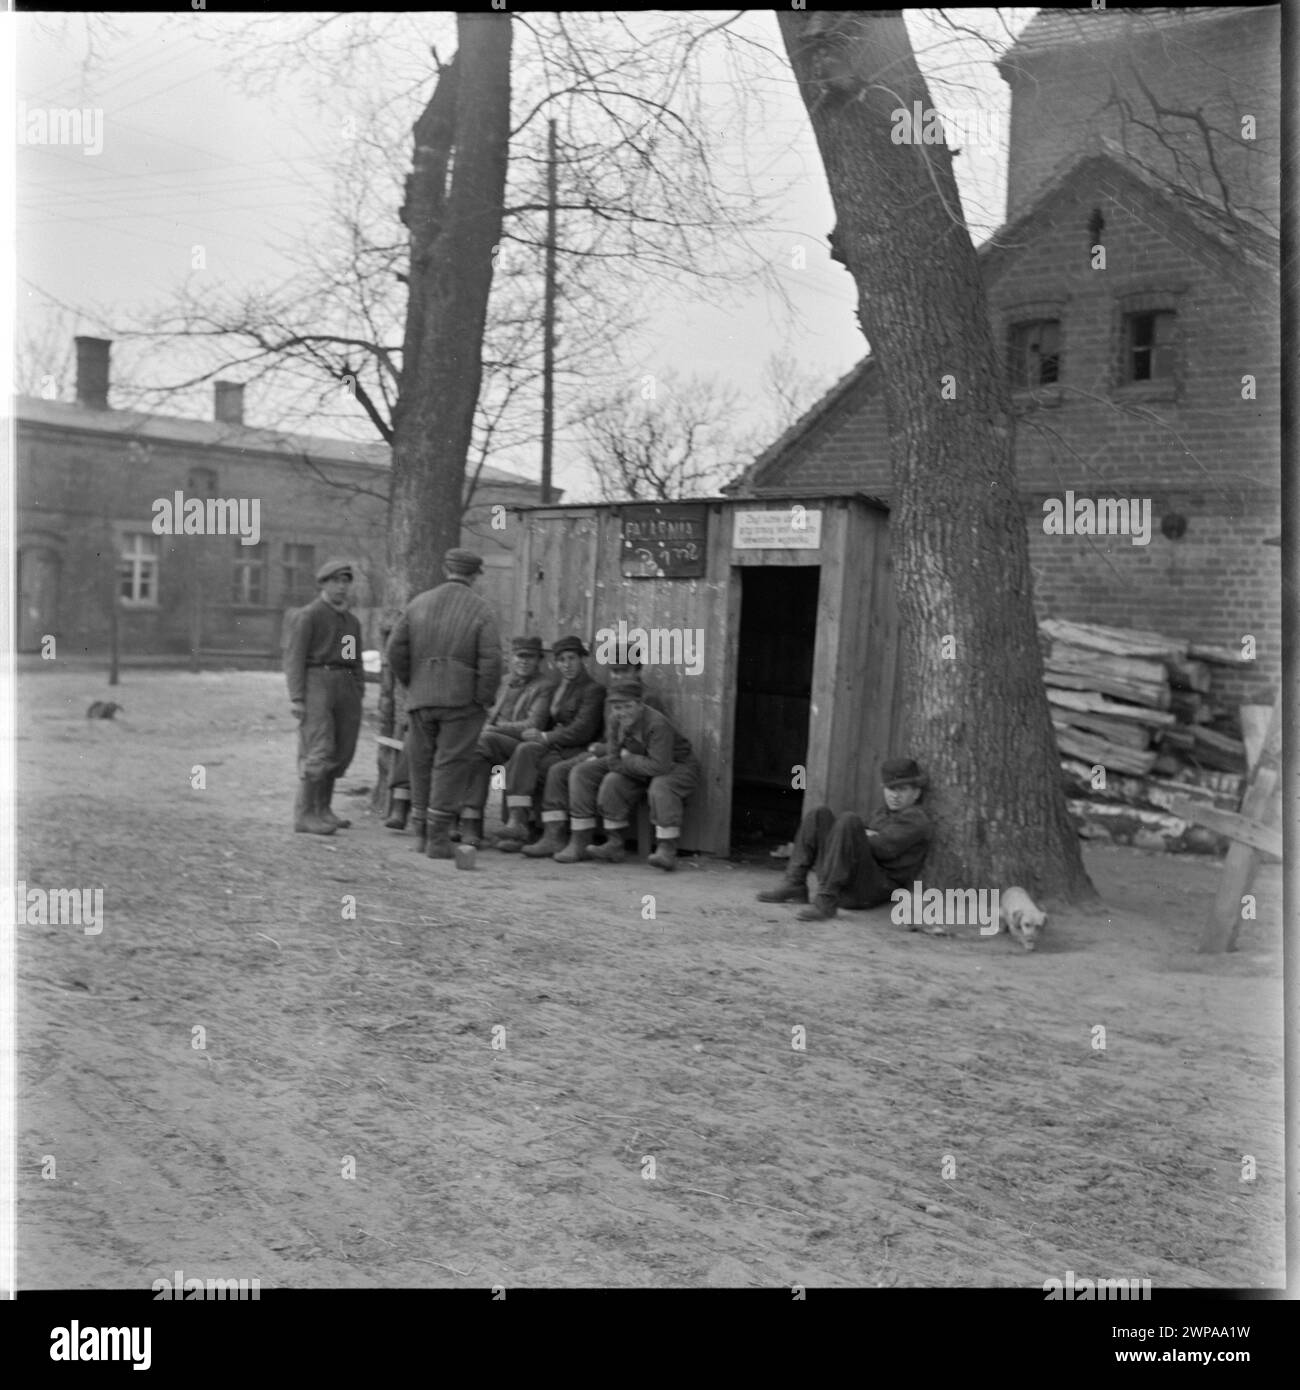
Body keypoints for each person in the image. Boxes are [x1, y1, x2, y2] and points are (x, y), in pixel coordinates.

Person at [385, 548, 501, 859]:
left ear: (445, 569)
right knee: (451, 764)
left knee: (420, 761)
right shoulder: (482, 610)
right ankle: (438, 838)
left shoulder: (418, 603)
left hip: (422, 697)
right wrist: (482, 698)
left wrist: (415, 682)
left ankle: (421, 833)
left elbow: (394, 650)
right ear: (474, 576)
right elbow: (491, 661)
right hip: (462, 699)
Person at [757, 757, 933, 920]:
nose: (895, 795)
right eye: (890, 789)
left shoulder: (916, 820)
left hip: (874, 890)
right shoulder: (883, 813)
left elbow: (881, 848)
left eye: (902, 789)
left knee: (849, 821)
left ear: (916, 793)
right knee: (820, 815)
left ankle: (826, 901)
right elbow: (863, 838)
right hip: (853, 881)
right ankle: (794, 882)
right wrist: (863, 835)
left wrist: (861, 835)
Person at [555, 677, 699, 871]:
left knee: (660, 786)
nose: (622, 712)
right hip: (642, 764)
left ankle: (667, 849)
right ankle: (612, 843)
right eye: (617, 707)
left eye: (628, 706)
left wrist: (628, 759)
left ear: (640, 705)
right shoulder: (615, 720)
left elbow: (660, 767)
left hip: (677, 767)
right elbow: (614, 760)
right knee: (591, 774)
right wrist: (629, 763)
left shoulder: (657, 724)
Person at [519, 660, 655, 859]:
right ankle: (553, 836)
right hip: (607, 752)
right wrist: (595, 749)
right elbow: (606, 734)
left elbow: (640, 743)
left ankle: (582, 840)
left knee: (581, 772)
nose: (617, 676)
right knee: (558, 770)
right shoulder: (612, 695)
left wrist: (599, 750)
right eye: (613, 671)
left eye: (623, 671)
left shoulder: (647, 699)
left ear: (637, 670)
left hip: (631, 758)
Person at [494, 635, 605, 852]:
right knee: (522, 752)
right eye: (561, 660)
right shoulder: (561, 687)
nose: (567, 664)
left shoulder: (593, 690)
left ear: (582, 659)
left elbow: (582, 731)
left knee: (547, 769)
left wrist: (545, 737)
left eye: (572, 658)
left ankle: (552, 835)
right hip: (557, 746)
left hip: (578, 749)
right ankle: (518, 823)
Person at [283, 558, 365, 836]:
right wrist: (297, 697)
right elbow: (294, 658)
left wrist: (358, 690)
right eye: (336, 582)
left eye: (346, 582)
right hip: (316, 681)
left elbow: (352, 659)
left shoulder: (350, 622)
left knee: (342, 749)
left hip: (344, 685)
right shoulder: (309, 616)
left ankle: (323, 809)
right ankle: (304, 814)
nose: (342, 588)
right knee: (319, 748)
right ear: (324, 584)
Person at [458, 635, 552, 848]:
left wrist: (496, 728)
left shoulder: (544, 686)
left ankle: (478, 822)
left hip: (522, 745)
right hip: (493, 746)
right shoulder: (503, 682)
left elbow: (534, 723)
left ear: (539, 660)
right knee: (477, 754)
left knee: (482, 742)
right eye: (520, 656)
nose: (524, 661)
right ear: (511, 658)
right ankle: (472, 823)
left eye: (530, 657)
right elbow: (486, 710)